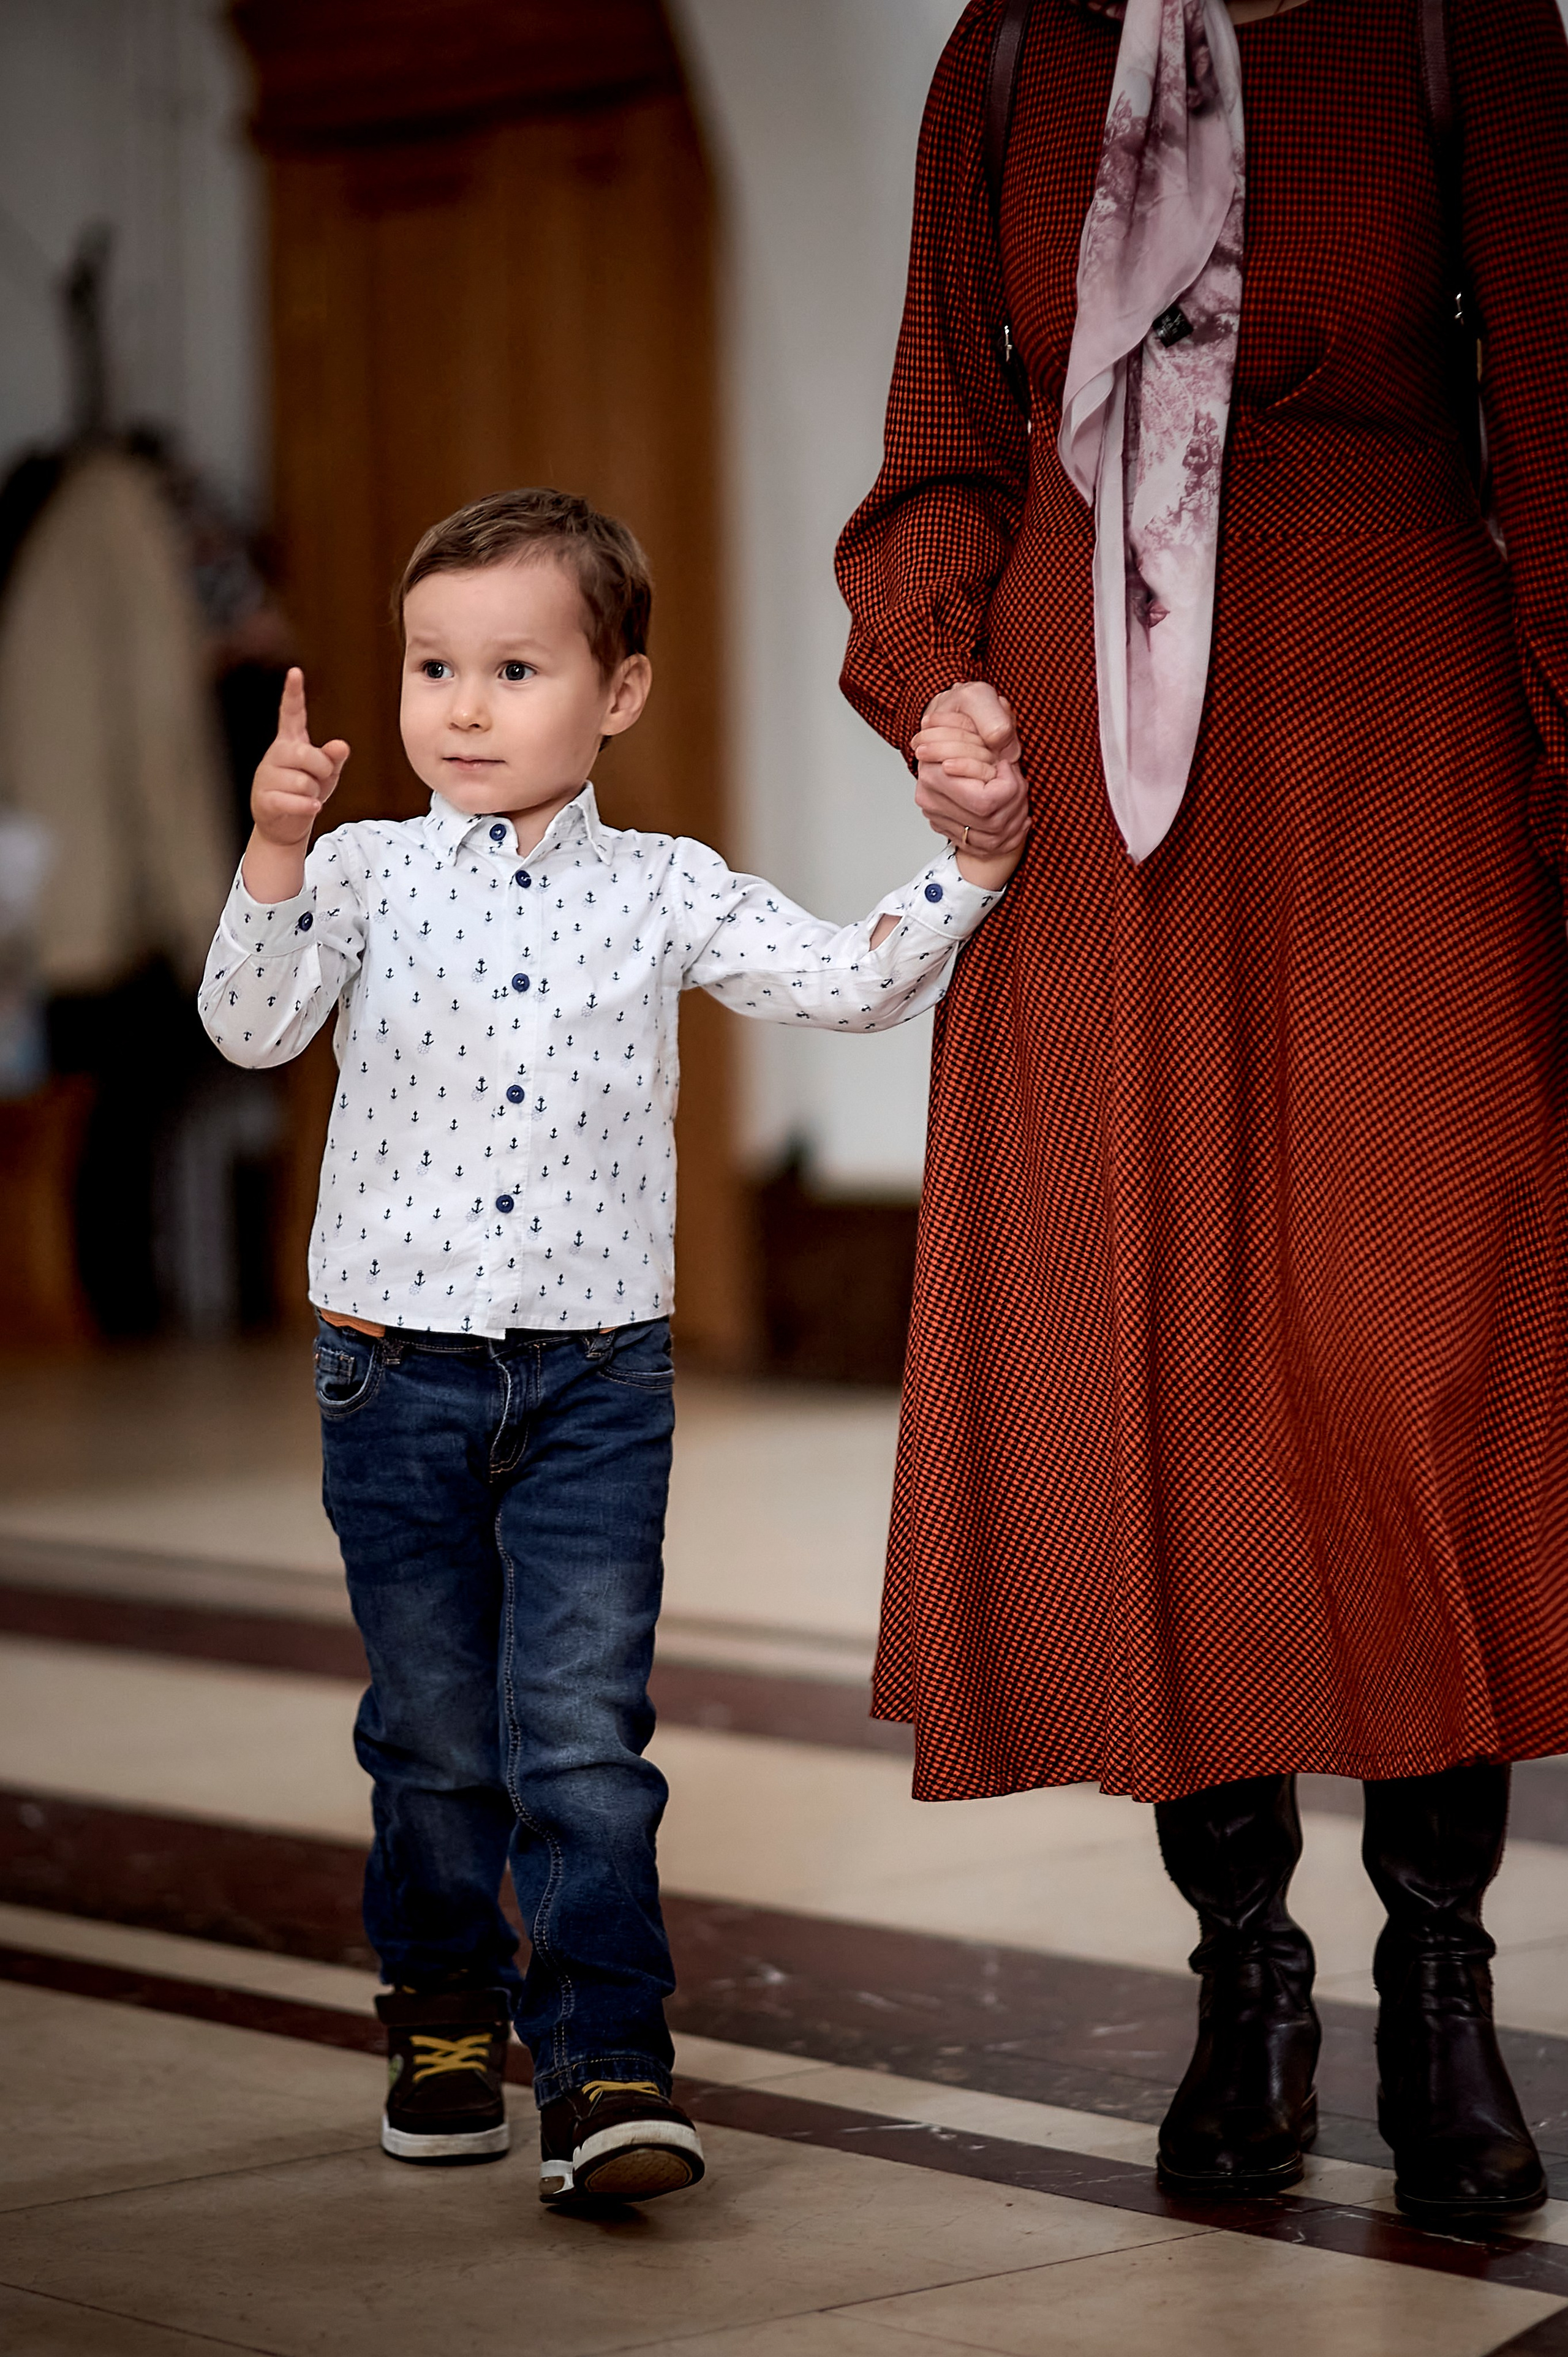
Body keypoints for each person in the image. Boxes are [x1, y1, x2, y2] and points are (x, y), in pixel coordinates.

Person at [834, 0, 1568, 2224]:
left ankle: (1442, 1977)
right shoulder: (1015, 52)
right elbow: (943, 449)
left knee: (1421, 1343)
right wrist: (934, 679)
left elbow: (1561, 448)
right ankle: (1244, 1975)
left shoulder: (1466, 34)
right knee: (1163, 1365)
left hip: (1392, 721)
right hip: (1089, 765)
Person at [198, 486, 1022, 2204]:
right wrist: (272, 850)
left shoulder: (664, 890)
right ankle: (442, 2014)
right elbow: (253, 1026)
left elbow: (843, 982)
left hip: (596, 1383)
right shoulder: (359, 871)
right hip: (391, 1366)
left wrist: (970, 873)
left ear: (621, 692)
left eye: (514, 666)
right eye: (434, 667)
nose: (465, 708)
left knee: (580, 1730)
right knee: (433, 1730)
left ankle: (608, 2067)